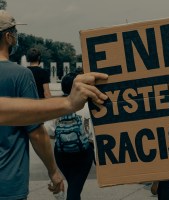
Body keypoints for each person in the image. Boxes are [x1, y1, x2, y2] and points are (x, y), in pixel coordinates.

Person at [0, 10, 108, 199]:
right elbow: (36, 132)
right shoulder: (20, 75)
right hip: (8, 180)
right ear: (9, 37)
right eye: (15, 33)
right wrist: (53, 171)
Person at [47, 73, 94, 200]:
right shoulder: (87, 104)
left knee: (74, 186)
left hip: (62, 153)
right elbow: (92, 133)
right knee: (75, 187)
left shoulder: (57, 105)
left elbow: (50, 132)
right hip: (83, 152)